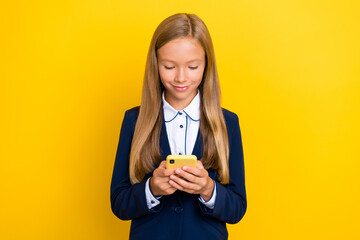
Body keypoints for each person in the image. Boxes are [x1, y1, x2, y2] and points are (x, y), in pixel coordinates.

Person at [110, 13, 247, 240]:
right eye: (169, 66)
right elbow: (119, 203)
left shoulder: (227, 123)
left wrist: (207, 189)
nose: (181, 77)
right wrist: (151, 189)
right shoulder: (134, 120)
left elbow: (238, 207)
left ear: (206, 65)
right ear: (155, 64)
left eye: (193, 67)